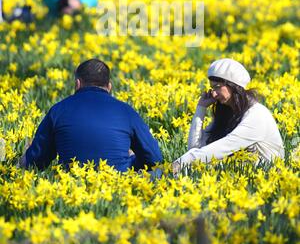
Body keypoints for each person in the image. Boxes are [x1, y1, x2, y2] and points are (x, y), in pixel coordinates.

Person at [21, 59, 163, 172]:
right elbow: (154, 158)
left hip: (71, 186)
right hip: (119, 183)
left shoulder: (58, 110)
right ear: (109, 87)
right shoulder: (126, 111)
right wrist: (133, 162)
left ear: (77, 84)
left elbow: (35, 162)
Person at [172, 58, 285, 175]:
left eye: (217, 87)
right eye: (212, 88)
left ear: (233, 86)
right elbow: (195, 148)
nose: (214, 94)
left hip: (267, 177)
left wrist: (182, 162)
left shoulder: (257, 115)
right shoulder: (228, 112)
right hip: (238, 174)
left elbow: (226, 146)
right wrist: (201, 109)